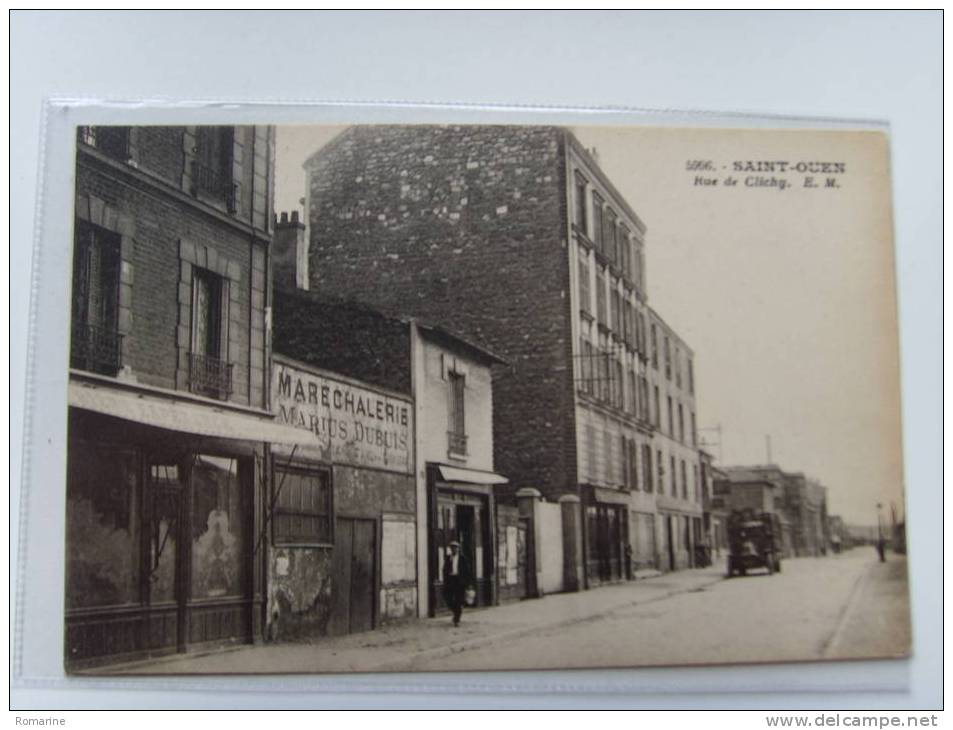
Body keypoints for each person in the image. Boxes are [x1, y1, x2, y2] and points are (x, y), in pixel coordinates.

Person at [442, 539, 471, 627]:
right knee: (447, 598)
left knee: (458, 600)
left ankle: (456, 619)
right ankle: (456, 611)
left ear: (458, 549)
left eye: (455, 548)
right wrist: (445, 579)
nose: (454, 550)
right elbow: (444, 569)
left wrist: (467, 583)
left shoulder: (462, 559)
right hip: (450, 580)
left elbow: (467, 571)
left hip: (459, 581)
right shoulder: (448, 558)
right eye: (452, 548)